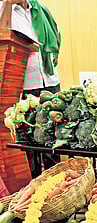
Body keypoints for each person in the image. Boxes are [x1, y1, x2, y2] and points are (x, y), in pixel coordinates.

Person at [5, 0, 61, 173]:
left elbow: (56, 36)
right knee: (30, 140)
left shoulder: (41, 9)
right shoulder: (4, 10)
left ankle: (57, 182)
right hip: (24, 84)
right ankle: (35, 182)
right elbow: (3, 37)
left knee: (54, 136)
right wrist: (7, 4)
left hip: (50, 81)